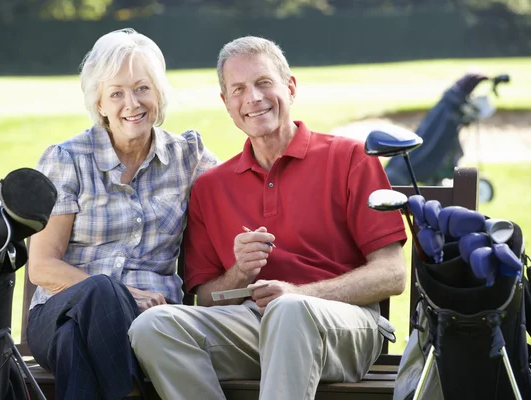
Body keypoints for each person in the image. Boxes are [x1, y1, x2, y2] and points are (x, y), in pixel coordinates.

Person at [128, 36, 408, 400]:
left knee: (289, 311)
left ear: (290, 88)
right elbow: (208, 298)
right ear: (226, 103)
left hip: (344, 325)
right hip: (252, 327)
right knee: (154, 326)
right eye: (238, 89)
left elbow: (392, 273)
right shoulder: (211, 187)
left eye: (263, 83)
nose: (253, 98)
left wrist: (299, 294)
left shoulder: (351, 157)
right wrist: (240, 273)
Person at [25, 28, 218, 400]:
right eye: (116, 93)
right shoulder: (68, 160)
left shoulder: (186, 157)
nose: (132, 103)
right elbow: (43, 268)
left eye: (142, 88)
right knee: (99, 290)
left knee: (74, 343)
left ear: (159, 93)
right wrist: (124, 296)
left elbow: (242, 185)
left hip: (153, 325)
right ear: (99, 103)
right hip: (58, 312)